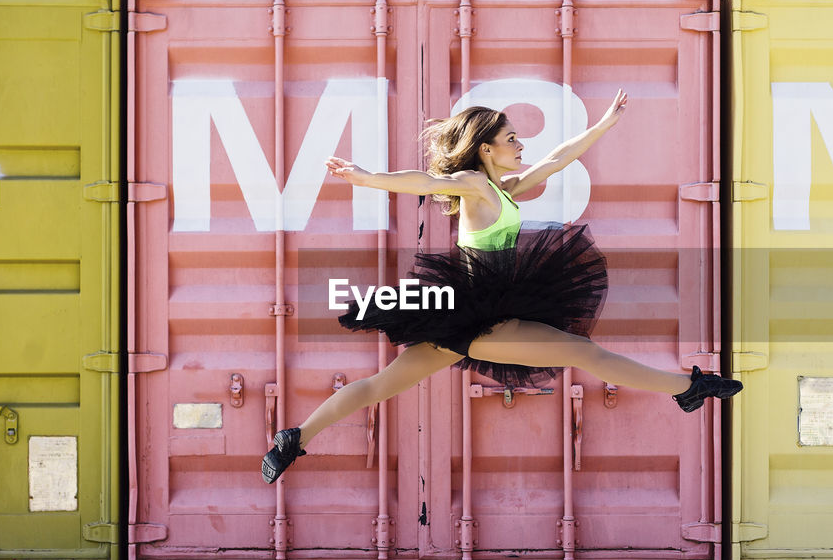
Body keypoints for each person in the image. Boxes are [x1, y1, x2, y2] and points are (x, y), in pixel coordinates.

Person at [261, 90, 741, 483]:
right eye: (512, 139)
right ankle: (689, 387)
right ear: (486, 148)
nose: (520, 146)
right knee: (580, 350)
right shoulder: (472, 182)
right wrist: (367, 179)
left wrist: (601, 128)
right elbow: (425, 179)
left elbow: (554, 161)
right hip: (478, 308)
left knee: (377, 387)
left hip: (467, 312)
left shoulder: (503, 191)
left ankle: (294, 438)